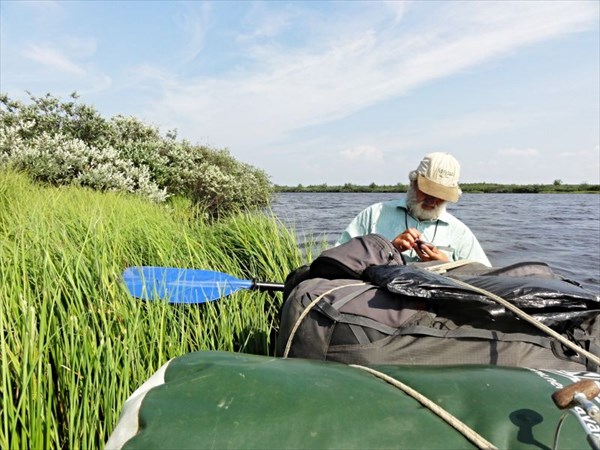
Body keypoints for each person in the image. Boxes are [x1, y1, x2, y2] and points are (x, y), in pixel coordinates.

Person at [336, 152, 491, 266]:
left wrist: (447, 265)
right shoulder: (374, 214)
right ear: (412, 182)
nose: (433, 200)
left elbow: (484, 278)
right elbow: (339, 259)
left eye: (441, 195)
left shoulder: (460, 232)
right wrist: (389, 249)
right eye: (428, 191)